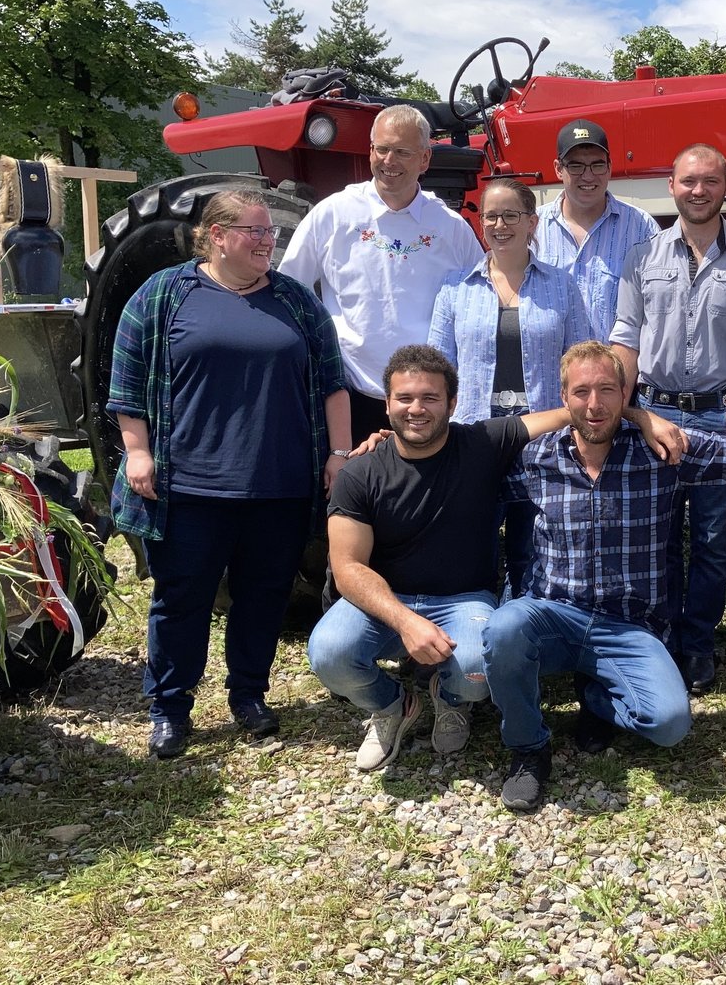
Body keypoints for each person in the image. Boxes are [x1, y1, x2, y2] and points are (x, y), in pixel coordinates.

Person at [306, 345, 684, 770]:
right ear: (386, 403)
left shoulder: (483, 442)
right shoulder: (361, 472)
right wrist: (406, 621)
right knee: (328, 653)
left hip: (462, 601)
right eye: (405, 398)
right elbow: (348, 568)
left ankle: (450, 699)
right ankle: (392, 704)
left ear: (452, 403)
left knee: (476, 669)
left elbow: (579, 412)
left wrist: (640, 415)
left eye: (430, 398)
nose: (417, 409)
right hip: (387, 600)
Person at [482, 342, 726, 812]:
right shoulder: (537, 459)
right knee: (502, 630)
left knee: (669, 724)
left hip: (630, 627)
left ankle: (597, 696)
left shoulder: (662, 452)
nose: (595, 404)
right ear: (563, 399)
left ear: (626, 394)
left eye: (607, 390)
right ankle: (528, 749)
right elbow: (461, 468)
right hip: (553, 615)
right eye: (582, 392)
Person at [108, 189, 351, 759]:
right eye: (255, 231)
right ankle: (169, 707)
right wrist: (137, 451)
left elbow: (332, 383)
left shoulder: (294, 301)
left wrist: (338, 454)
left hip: (279, 482)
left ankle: (248, 694)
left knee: (263, 595)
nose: (268, 241)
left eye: (271, 232)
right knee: (182, 597)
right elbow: (127, 382)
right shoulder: (163, 295)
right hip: (190, 485)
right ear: (216, 236)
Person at [609, 143, 726, 693]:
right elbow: (626, 336)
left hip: (720, 417)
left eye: (709, 181)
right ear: (671, 187)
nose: (698, 190)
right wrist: (623, 408)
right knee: (651, 537)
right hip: (654, 415)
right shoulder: (642, 257)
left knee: (708, 541)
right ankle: (653, 641)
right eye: (687, 181)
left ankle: (697, 645)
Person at [280, 104, 484, 442]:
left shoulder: (451, 228)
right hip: (349, 394)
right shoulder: (333, 214)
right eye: (382, 149)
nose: (389, 161)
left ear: (424, 159)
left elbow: (480, 301)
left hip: (425, 400)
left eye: (402, 151)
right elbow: (289, 291)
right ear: (371, 150)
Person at [430, 179, 591, 598]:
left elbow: (580, 362)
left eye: (511, 215)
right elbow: (437, 368)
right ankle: (472, 635)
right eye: (490, 216)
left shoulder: (562, 285)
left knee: (532, 545)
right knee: (472, 542)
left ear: (532, 222)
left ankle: (523, 632)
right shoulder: (454, 289)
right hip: (474, 436)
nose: (500, 224)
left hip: (540, 435)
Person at [533, 118, 659, 339]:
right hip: (551, 369)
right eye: (576, 165)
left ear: (610, 167)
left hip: (617, 370)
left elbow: (659, 304)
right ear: (558, 169)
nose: (588, 176)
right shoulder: (532, 227)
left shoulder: (641, 227)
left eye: (597, 164)